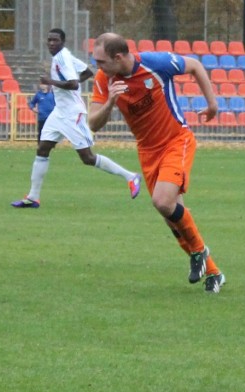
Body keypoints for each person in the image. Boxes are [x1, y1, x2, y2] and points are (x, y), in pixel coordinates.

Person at [87, 33, 225, 294]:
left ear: (118, 57)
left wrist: (212, 105)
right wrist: (111, 102)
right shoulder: (105, 79)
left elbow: (194, 65)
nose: (98, 67)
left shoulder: (155, 63)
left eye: (101, 61)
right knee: (171, 216)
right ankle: (214, 272)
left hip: (176, 141)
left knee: (162, 201)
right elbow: (93, 123)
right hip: (147, 152)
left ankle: (198, 252)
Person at [11, 28, 141, 209]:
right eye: (49, 40)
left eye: (55, 40)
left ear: (62, 42)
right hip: (59, 113)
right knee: (42, 148)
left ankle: (130, 176)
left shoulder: (62, 58)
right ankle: (33, 197)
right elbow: (87, 72)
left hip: (72, 114)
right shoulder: (64, 56)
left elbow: (72, 84)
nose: (51, 43)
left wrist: (51, 82)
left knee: (87, 158)